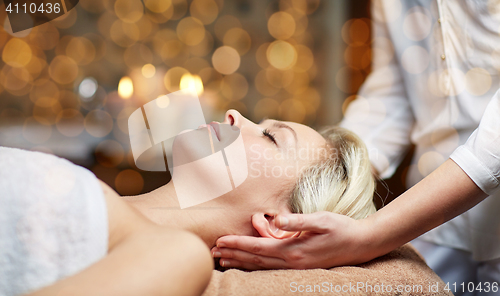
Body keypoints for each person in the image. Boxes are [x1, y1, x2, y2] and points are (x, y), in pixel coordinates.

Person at [212, 1, 500, 293]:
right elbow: (394, 92)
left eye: (271, 136)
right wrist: (327, 182)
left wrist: (370, 235)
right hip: (438, 224)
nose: (232, 116)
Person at [0, 109, 377, 296]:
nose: (234, 114)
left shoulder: (178, 255)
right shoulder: (94, 191)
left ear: (278, 223)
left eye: (271, 137)